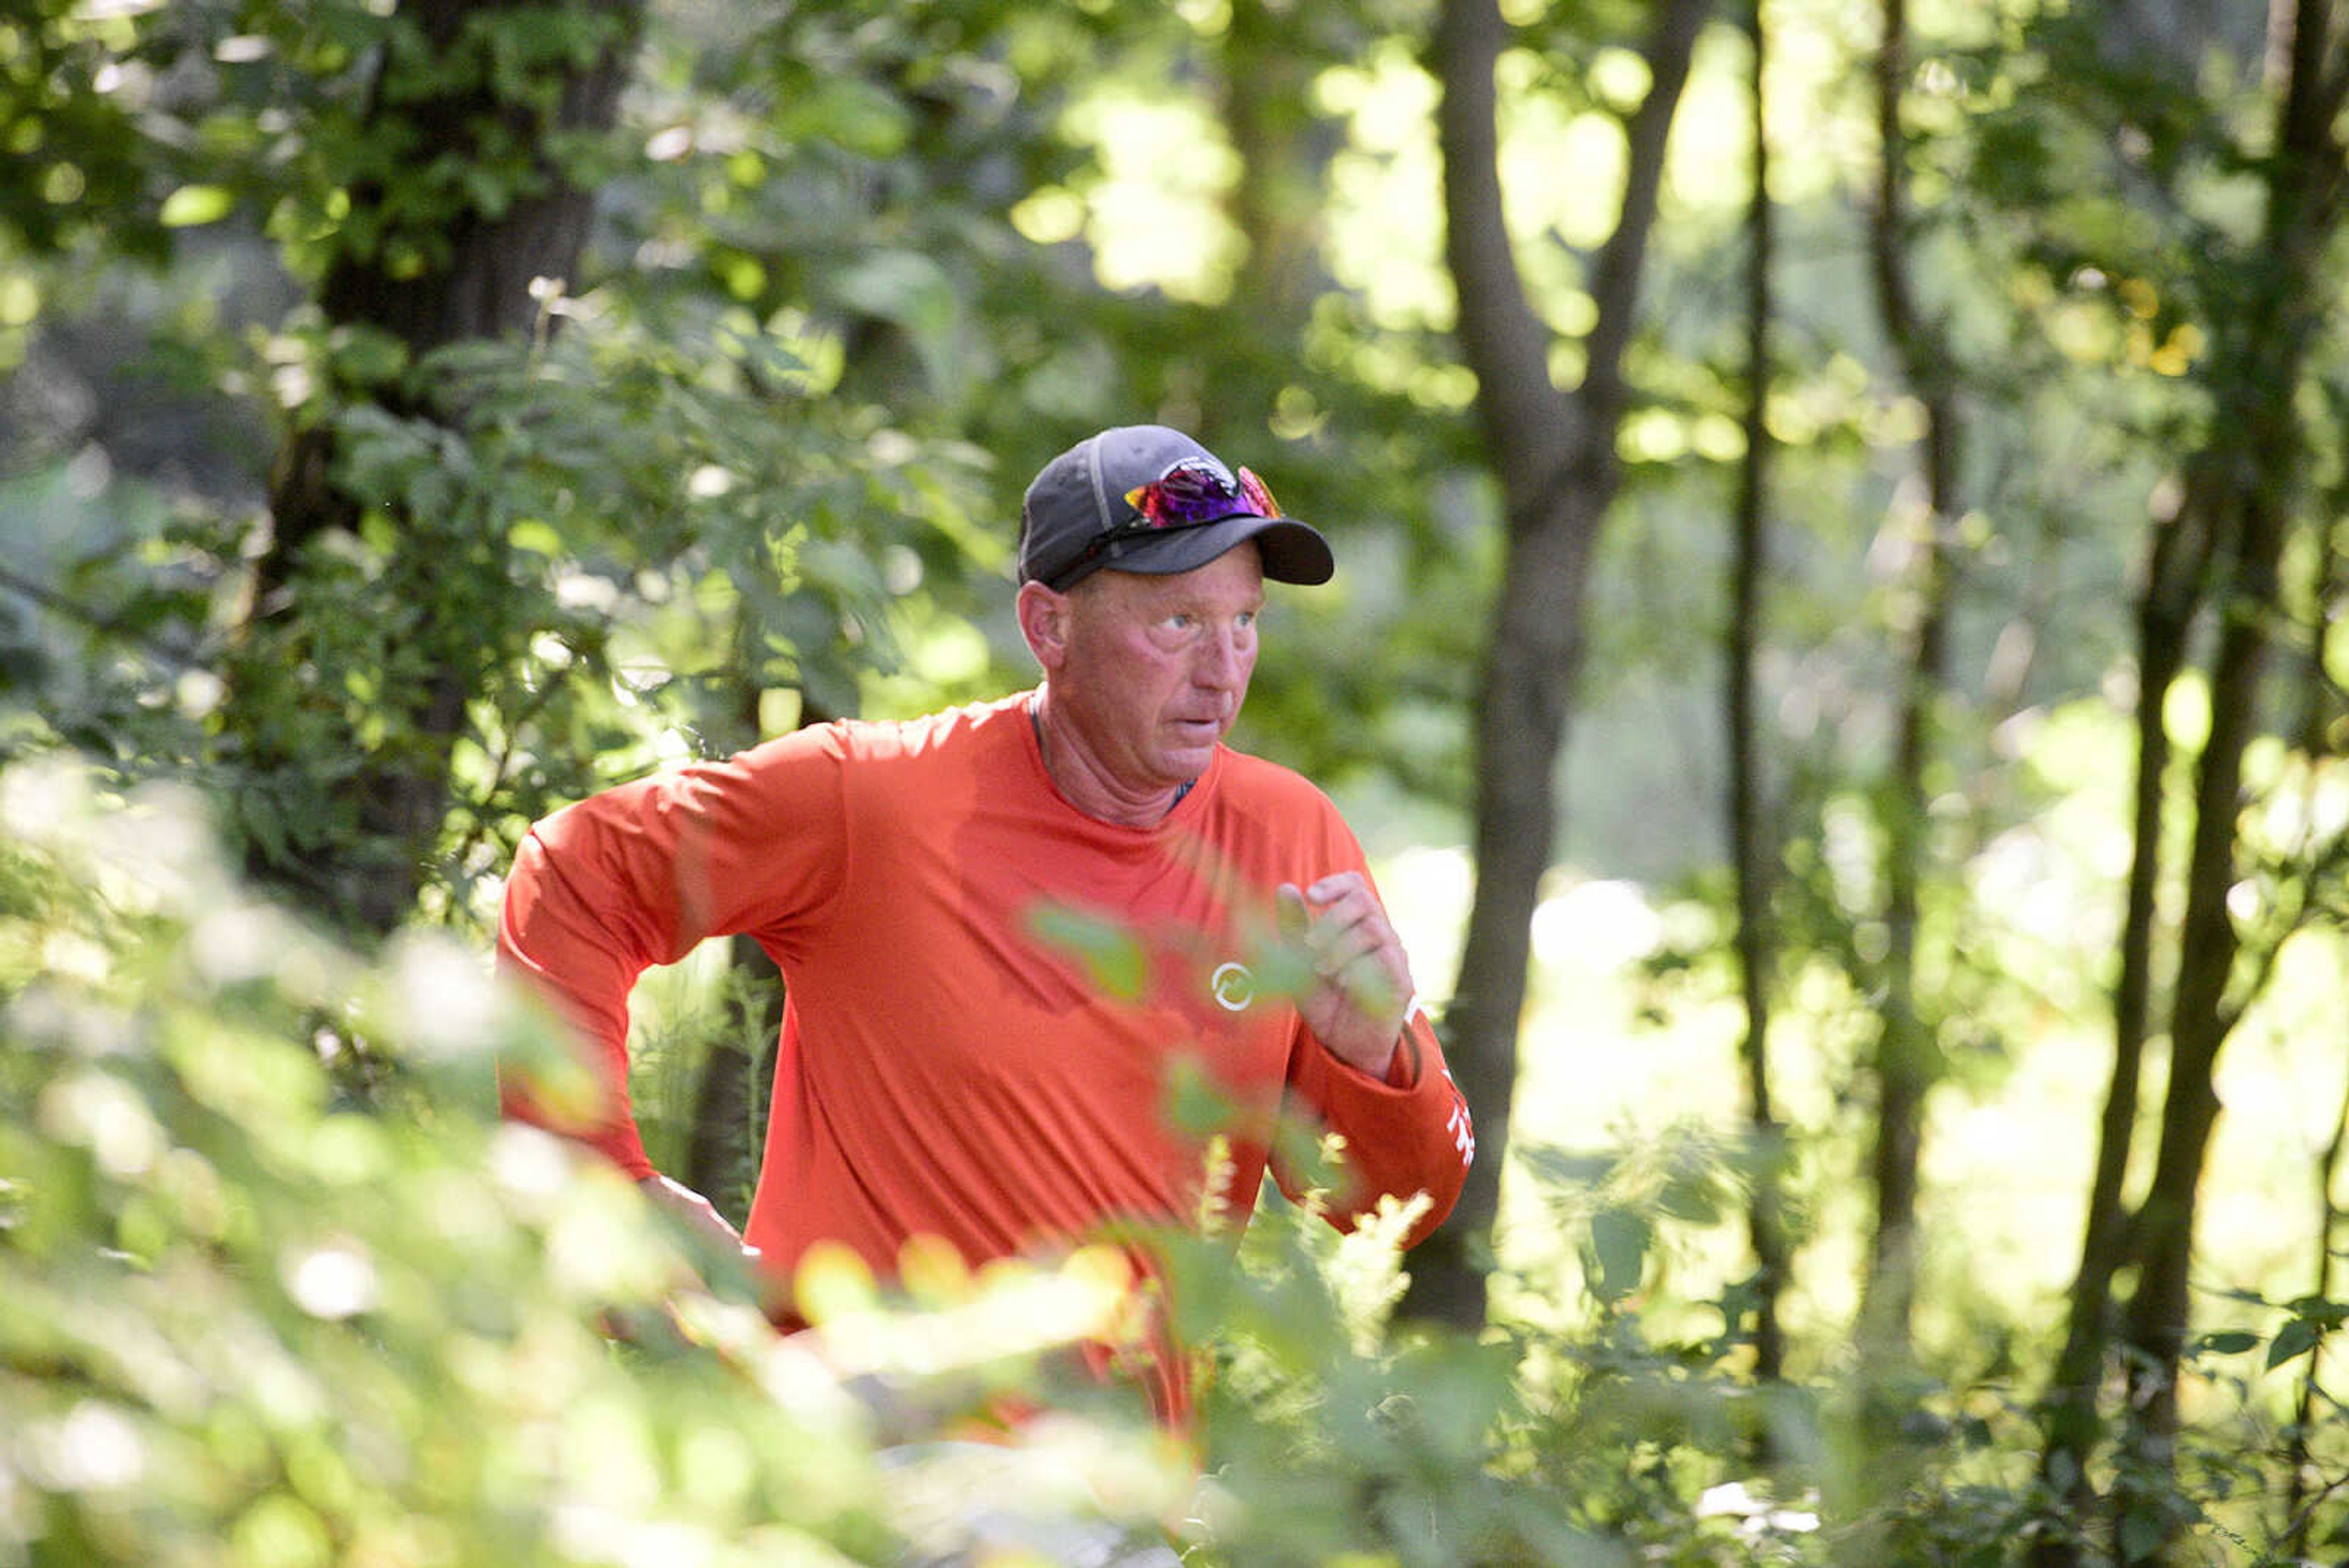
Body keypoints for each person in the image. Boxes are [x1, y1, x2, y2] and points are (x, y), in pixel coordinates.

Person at [495, 423, 1475, 1431]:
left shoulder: (1290, 837)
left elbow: (1386, 1214)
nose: (1224, 670)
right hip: (858, 1460)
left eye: (1245, 622)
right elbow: (577, 872)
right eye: (1179, 622)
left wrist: (1379, 1057)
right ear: (1048, 627)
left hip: (1114, 1498)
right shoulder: (872, 803)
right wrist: (597, 1182)